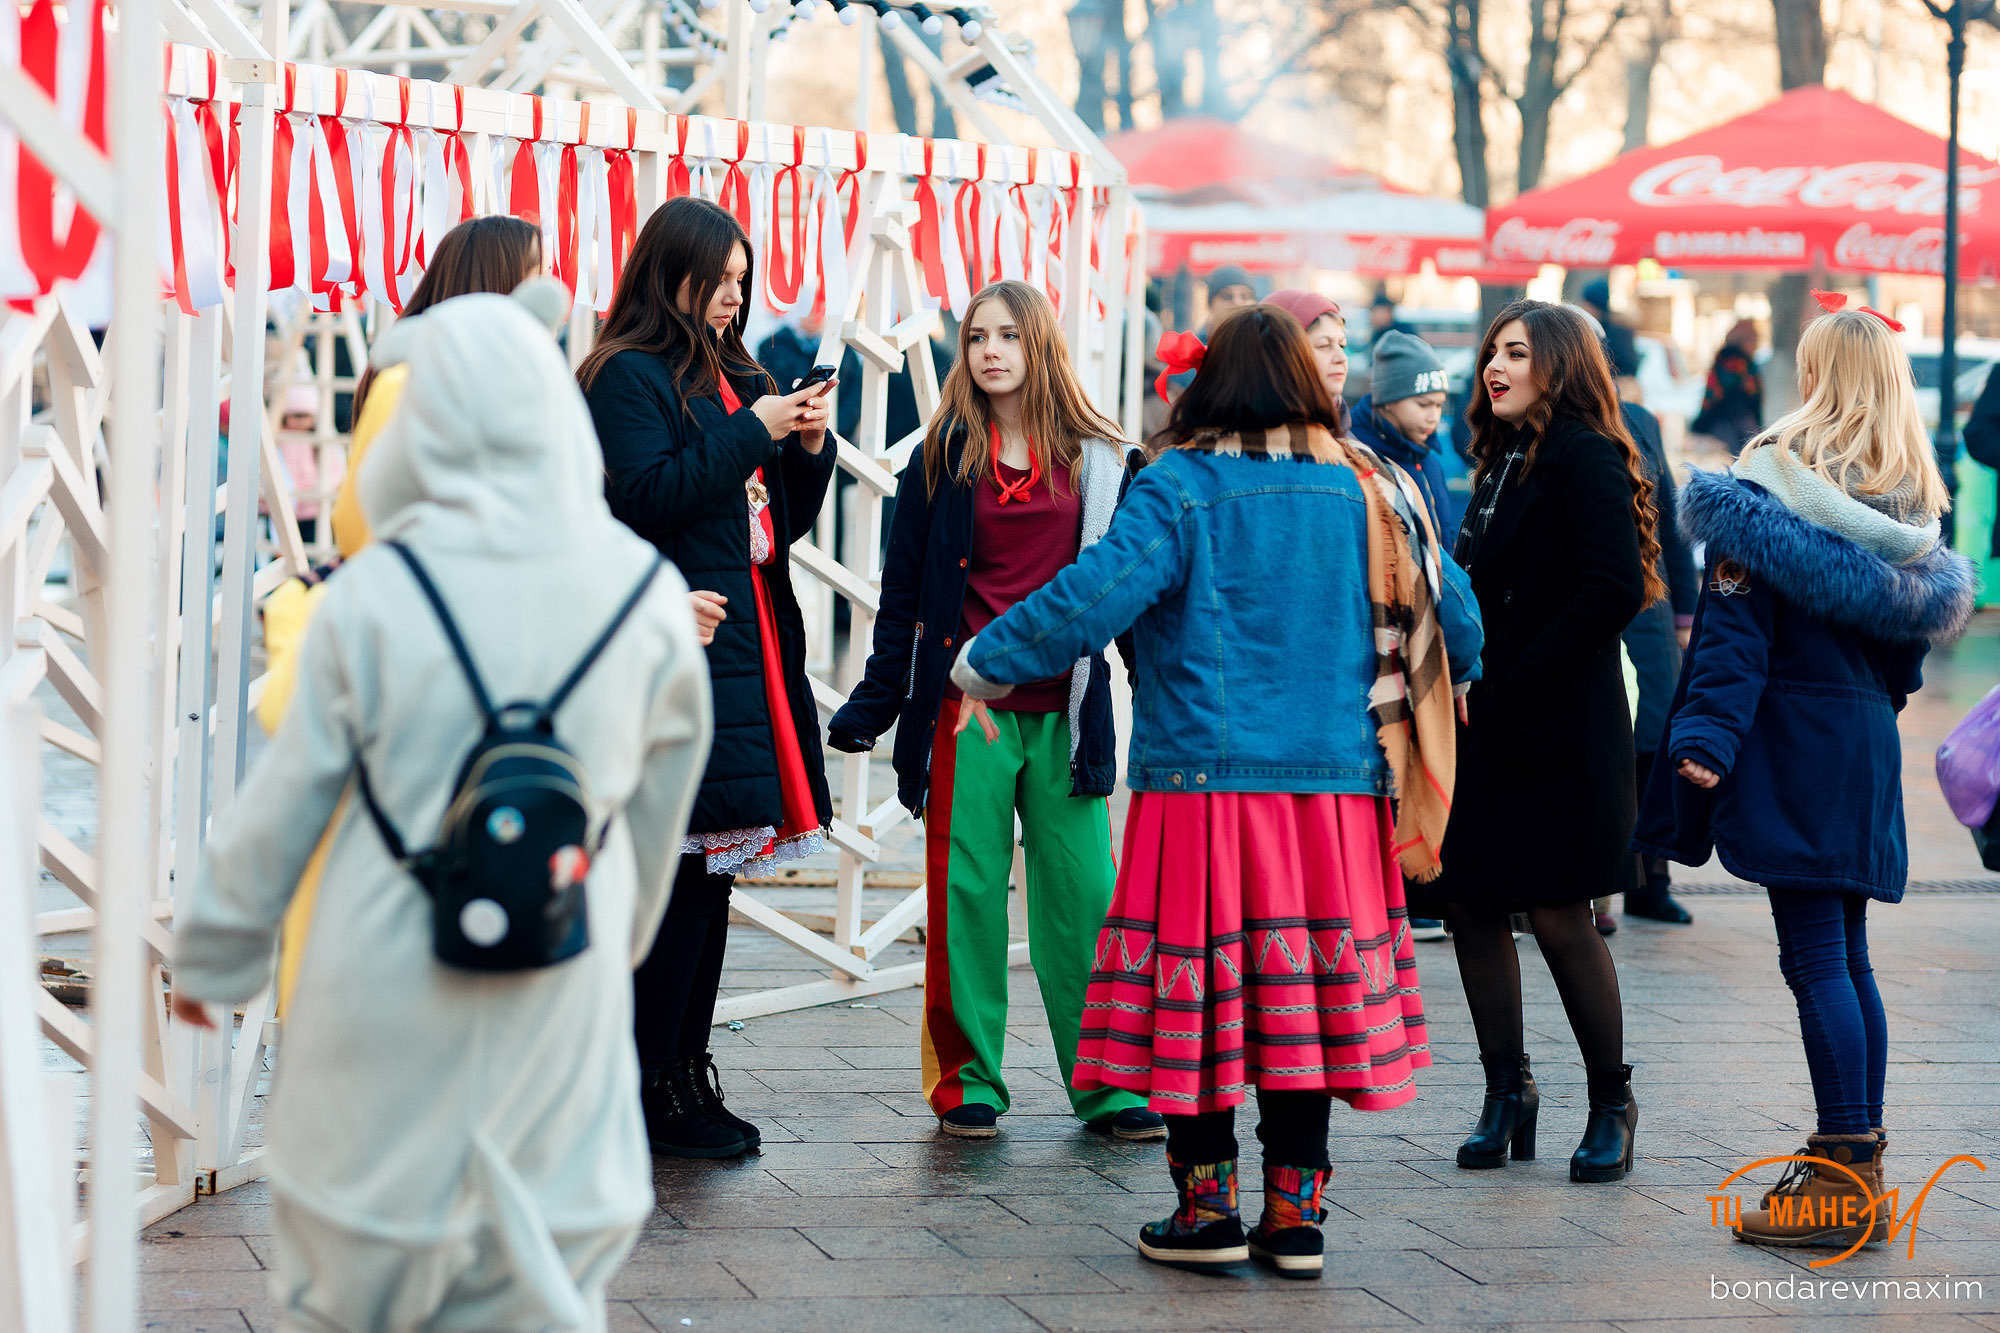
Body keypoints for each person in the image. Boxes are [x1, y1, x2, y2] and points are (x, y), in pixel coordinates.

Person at [170, 293, 712, 1329]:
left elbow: (283, 806)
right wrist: (605, 937)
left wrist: (215, 956)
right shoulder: (645, 596)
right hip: (561, 976)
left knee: (362, 1268)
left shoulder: (373, 595)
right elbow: (647, 832)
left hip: (382, 977)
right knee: (538, 1258)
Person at [952, 305, 1484, 1277]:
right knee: (1303, 1004)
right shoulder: (1375, 486)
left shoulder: (1181, 485)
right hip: (1334, 795)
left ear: (1208, 389)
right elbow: (1461, 623)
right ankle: (1295, 1218)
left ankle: (1206, 1213)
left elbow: (1095, 592)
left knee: (1196, 999)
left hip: (1201, 788)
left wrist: (986, 660)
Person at [1634, 307, 1974, 1248]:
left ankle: (1837, 1184)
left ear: (1821, 379)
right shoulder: (1909, 520)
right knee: (1848, 958)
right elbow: (1905, 670)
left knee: (1817, 958)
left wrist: (1701, 737)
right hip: (1863, 750)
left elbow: (1735, 640)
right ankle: (1856, 1165)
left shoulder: (1766, 492)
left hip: (1792, 745)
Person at [826, 279, 1162, 1143]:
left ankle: (1113, 1084)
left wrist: (1164, 698)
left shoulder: (1101, 461)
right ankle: (968, 1081)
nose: (989, 351)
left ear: (1039, 344)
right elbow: (902, 599)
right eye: (977, 335)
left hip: (1068, 712)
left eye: (1008, 335)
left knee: (1084, 901)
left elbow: (1129, 595)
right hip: (964, 714)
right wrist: (877, 699)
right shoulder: (939, 457)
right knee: (965, 896)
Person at [580, 195, 839, 1159]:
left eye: (741, 280)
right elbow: (644, 495)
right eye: (718, 279)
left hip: (746, 646)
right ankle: (650, 1088)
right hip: (670, 652)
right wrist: (754, 429)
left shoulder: (732, 372)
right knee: (677, 878)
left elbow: (773, 526)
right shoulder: (624, 378)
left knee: (710, 882)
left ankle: (686, 1076)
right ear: (669, 271)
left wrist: (806, 443)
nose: (733, 298)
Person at [1411, 299, 1662, 1186]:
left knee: (1559, 912)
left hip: (1562, 724)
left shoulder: (1584, 454)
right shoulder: (1500, 459)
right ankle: (1506, 1090)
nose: (1494, 366)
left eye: (1515, 352)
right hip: (1488, 725)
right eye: (1491, 352)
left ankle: (1610, 1100)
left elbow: (1614, 589)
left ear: (1558, 363)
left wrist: (1515, 672)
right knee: (1472, 902)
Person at [1616, 394, 1699, 925]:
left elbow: (1667, 516)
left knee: (1654, 735)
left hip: (1649, 599)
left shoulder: (1639, 420)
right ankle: (1594, 884)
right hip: (1582, 602)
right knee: (1603, 741)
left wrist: (1687, 610)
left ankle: (1650, 880)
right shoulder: (1539, 414)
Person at [1263, 289, 1351, 436]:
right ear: (1282, 356)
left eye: (1342, 345)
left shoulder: (1345, 433)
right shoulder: (1265, 442)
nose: (1341, 358)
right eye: (1323, 345)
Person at [1691, 319, 1764, 454]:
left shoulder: (1737, 359)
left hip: (1729, 420)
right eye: (1754, 340)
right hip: (1730, 421)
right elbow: (1738, 393)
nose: (1756, 345)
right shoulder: (1734, 360)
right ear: (1744, 340)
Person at [1580, 278, 1640, 380]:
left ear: (1596, 305)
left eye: (1587, 303)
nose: (1584, 307)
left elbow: (1629, 366)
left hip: (1614, 386)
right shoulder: (1587, 327)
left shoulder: (1618, 331)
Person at [1201, 265, 1257, 331]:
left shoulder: (1268, 339)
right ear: (1210, 304)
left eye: (1245, 296)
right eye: (1227, 296)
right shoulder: (1194, 341)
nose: (1237, 302)